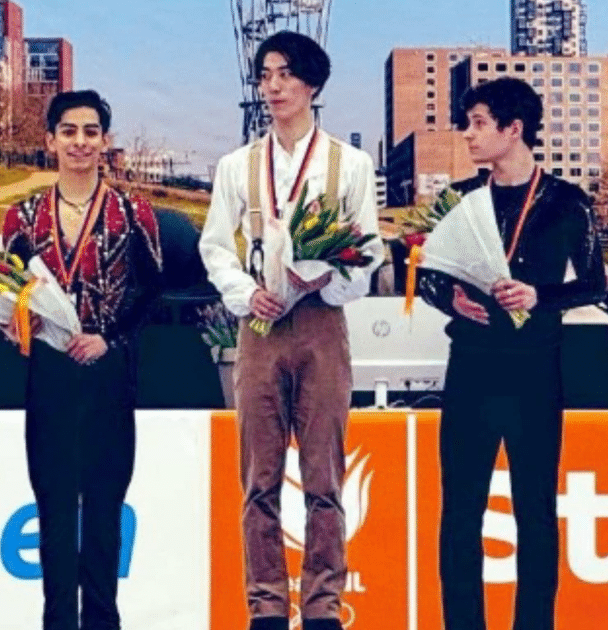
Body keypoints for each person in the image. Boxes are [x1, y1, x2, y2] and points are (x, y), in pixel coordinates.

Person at [198, 30, 383, 630]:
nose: (273, 86)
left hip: (322, 325)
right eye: (265, 75)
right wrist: (244, 291)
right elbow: (215, 247)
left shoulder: (349, 164)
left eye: (285, 74)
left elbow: (368, 252)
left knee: (326, 475)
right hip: (257, 326)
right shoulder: (236, 166)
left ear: (313, 85)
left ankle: (324, 605)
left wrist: (321, 281)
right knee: (259, 475)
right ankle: (267, 607)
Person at [416, 77, 606, 630]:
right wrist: (447, 297)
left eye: (477, 123)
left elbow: (595, 285)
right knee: (459, 515)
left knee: (536, 514)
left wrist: (539, 296)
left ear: (513, 129)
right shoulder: (458, 200)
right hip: (471, 365)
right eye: (467, 123)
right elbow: (426, 274)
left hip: (535, 369)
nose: (467, 135)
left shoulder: (568, 203)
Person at [1, 89, 163, 630]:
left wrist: (107, 338)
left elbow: (149, 293)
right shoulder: (21, 216)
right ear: (49, 140)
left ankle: (102, 621)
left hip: (108, 373)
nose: (80, 142)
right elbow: (13, 291)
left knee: (102, 512)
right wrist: (14, 324)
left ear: (106, 142)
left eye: (91, 131)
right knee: (52, 512)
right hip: (49, 375)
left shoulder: (132, 212)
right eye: (68, 131)